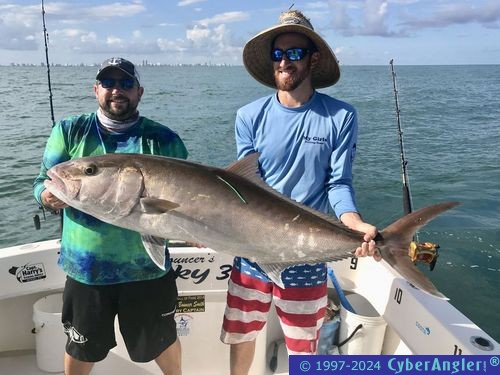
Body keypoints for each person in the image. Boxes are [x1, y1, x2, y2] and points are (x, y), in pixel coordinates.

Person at [219, 10, 380, 374]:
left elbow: (338, 183)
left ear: (314, 58)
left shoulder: (340, 116)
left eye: (294, 53)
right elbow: (244, 188)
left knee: (304, 344)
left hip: (306, 253)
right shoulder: (248, 116)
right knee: (241, 334)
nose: (285, 62)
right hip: (251, 250)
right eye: (278, 54)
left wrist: (352, 221)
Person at [33, 57, 187, 375]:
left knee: (162, 341)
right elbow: (41, 182)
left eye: (126, 83)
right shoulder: (69, 131)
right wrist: (46, 197)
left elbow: (187, 199)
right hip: (86, 270)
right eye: (108, 83)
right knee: (80, 346)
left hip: (147, 267)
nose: (117, 90)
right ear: (96, 90)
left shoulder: (165, 140)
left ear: (139, 91)